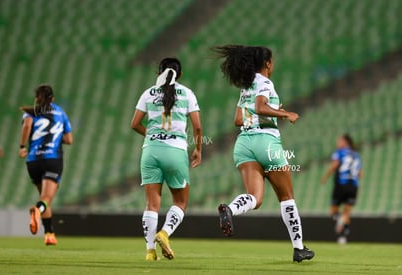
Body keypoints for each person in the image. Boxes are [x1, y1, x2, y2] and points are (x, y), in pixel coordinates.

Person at [213, 45, 314, 262]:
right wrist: (285, 113)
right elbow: (260, 108)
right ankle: (298, 248)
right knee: (286, 197)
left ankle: (230, 209)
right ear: (268, 63)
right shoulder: (265, 82)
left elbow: (238, 120)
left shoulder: (246, 86)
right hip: (266, 143)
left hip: (244, 144)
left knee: (255, 198)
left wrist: (273, 110)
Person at [131, 57, 202, 261]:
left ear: (158, 72)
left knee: (151, 204)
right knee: (180, 201)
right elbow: (197, 126)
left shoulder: (148, 93)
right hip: (176, 151)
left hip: (150, 151)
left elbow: (134, 123)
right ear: (179, 74)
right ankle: (165, 233)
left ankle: (150, 251)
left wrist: (153, 136)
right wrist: (198, 149)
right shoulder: (187, 93)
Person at [19, 84, 73, 245]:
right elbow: (69, 140)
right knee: (46, 198)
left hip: (33, 161)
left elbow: (27, 126)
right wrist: (55, 138)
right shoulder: (60, 112)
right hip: (52, 159)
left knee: (43, 197)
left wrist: (22, 147)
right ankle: (37, 211)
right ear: (53, 99)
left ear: (37, 98)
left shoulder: (32, 111)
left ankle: (49, 234)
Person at [321, 134, 362, 244]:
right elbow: (360, 174)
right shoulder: (356, 154)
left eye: (339, 141)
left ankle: (339, 221)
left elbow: (335, 165)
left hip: (341, 185)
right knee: (347, 213)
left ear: (345, 142)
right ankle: (343, 237)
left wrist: (325, 176)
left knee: (333, 212)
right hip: (353, 186)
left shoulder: (339, 152)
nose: (337, 143)